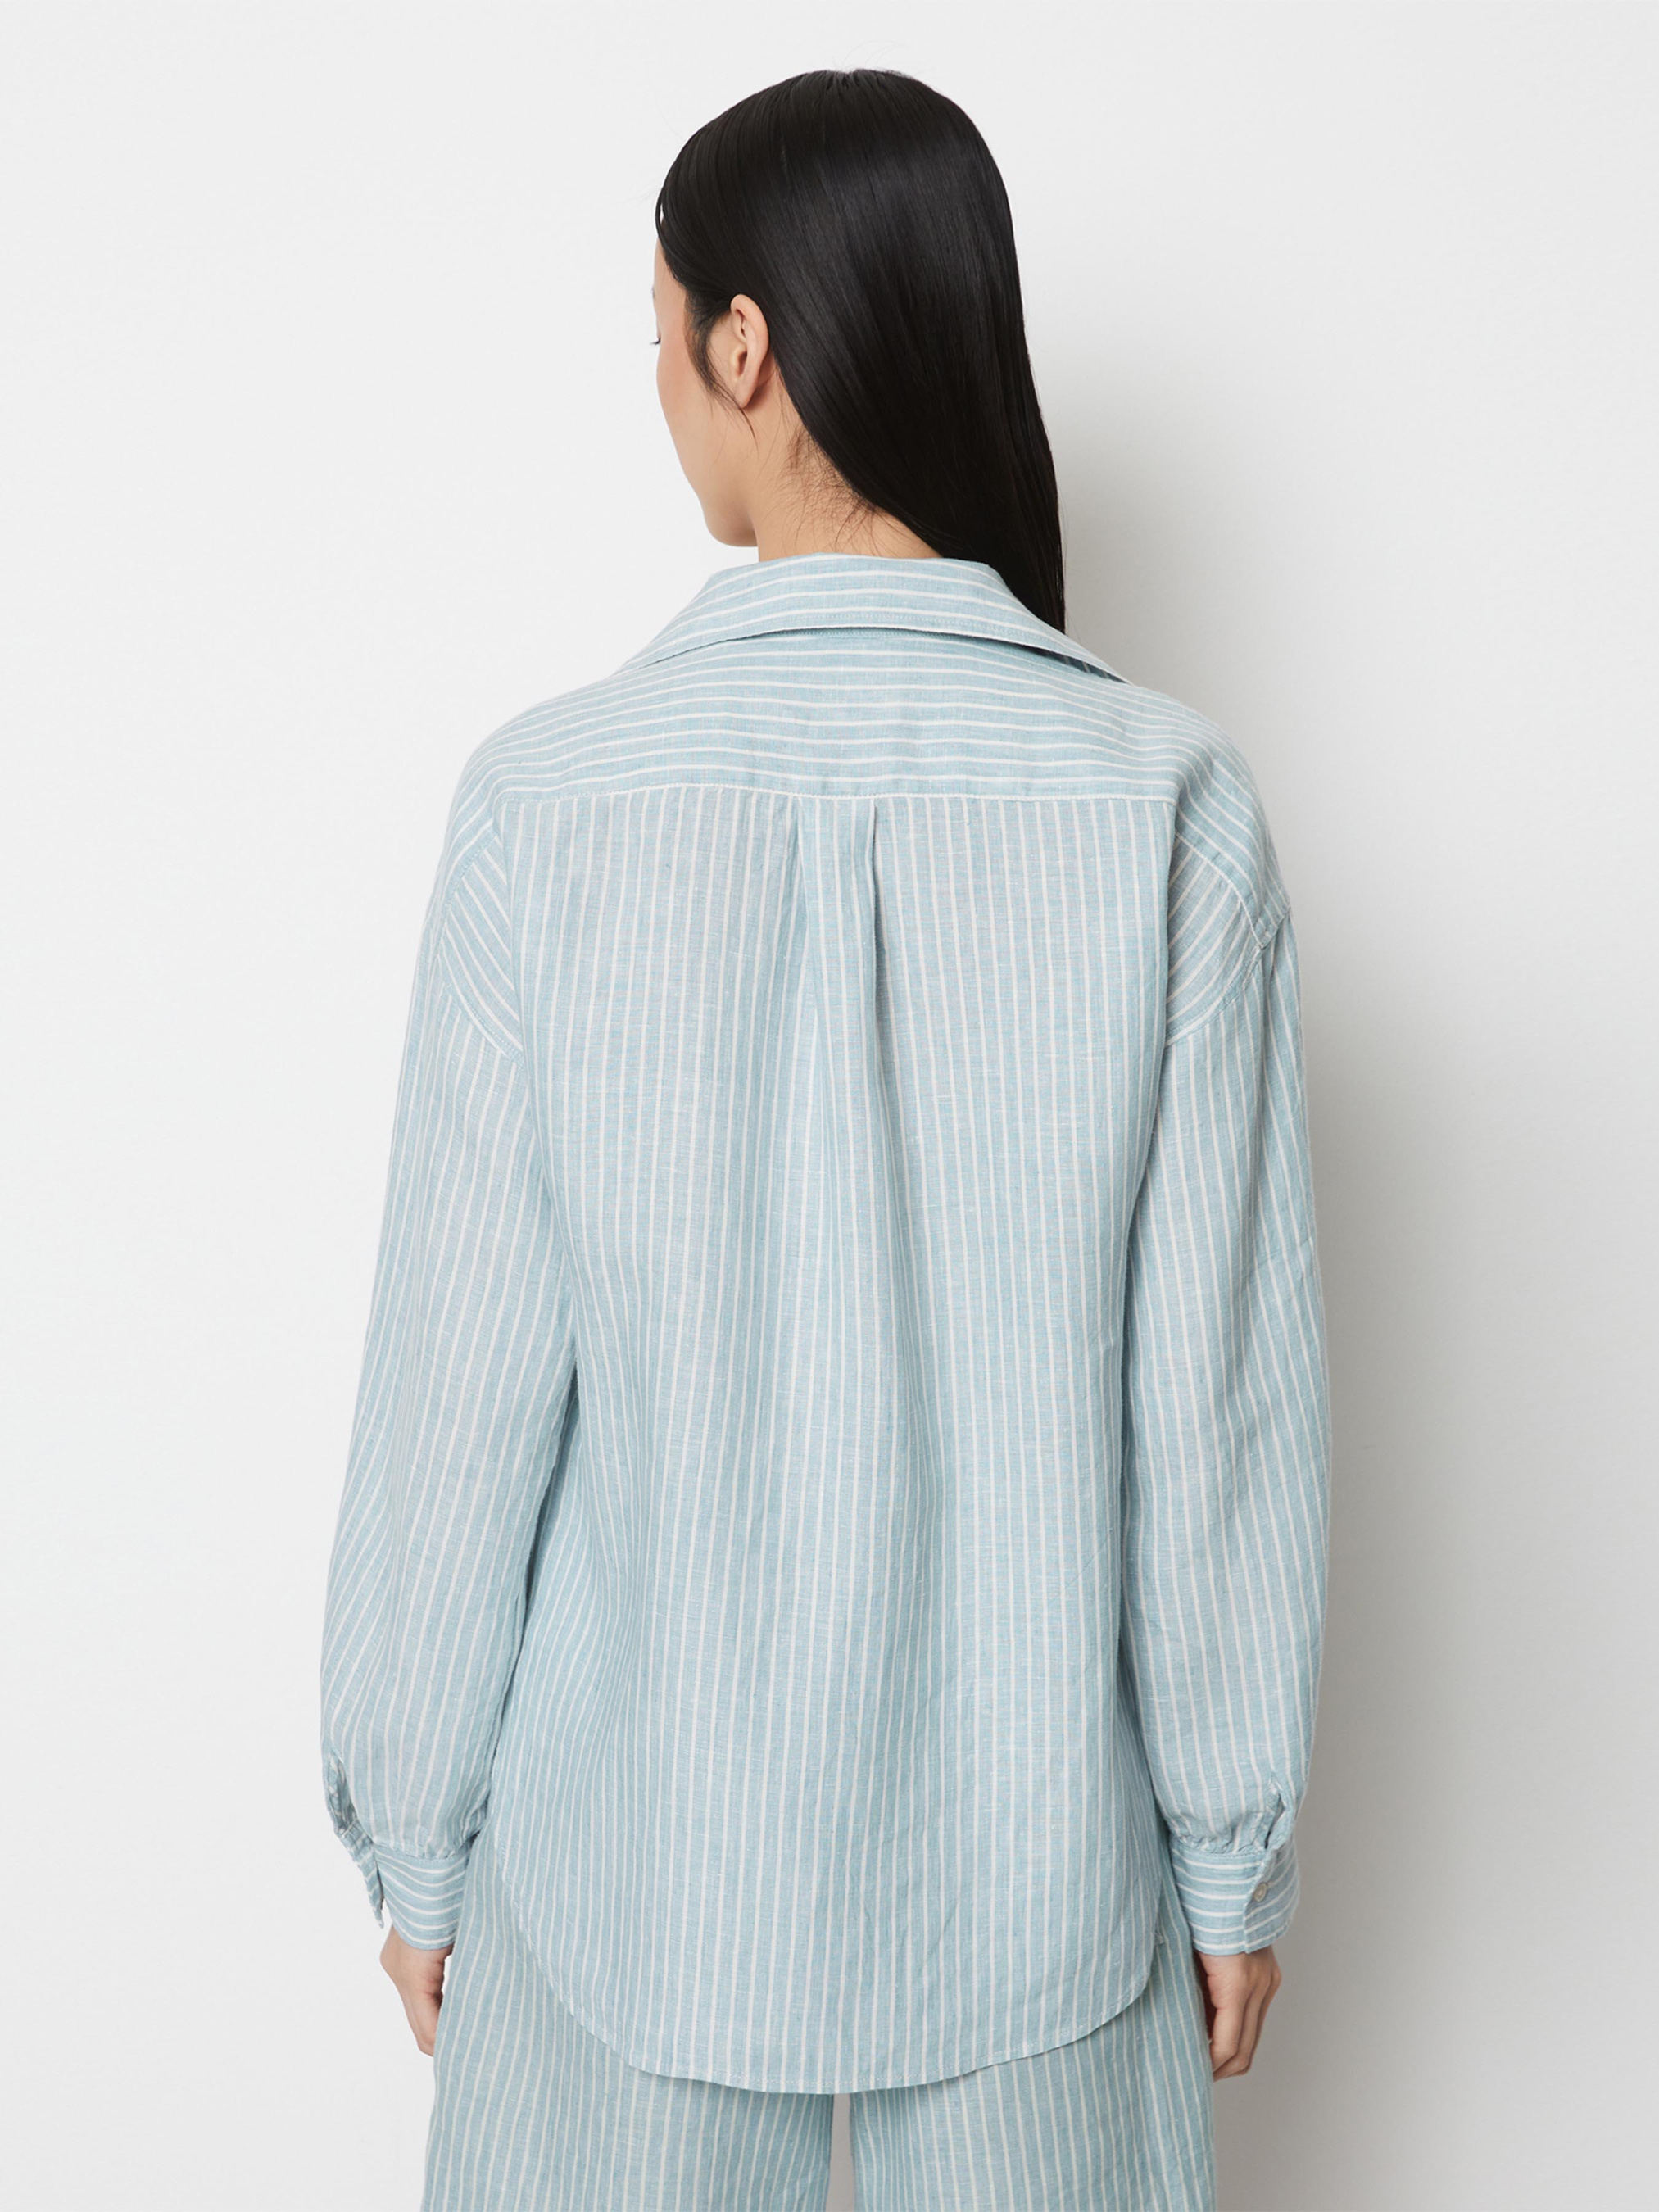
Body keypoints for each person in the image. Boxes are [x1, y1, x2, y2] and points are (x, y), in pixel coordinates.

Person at [320, 65, 1331, 2212]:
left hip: (621, 1892)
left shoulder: (547, 806)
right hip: (1043, 1901)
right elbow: (1215, 1415)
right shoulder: (1164, 806)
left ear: (745, 348)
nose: (656, 388)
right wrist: (1228, 1853)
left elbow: (455, 1400)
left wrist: (417, 1837)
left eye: (656, 332)